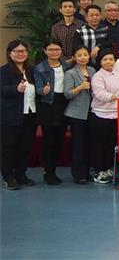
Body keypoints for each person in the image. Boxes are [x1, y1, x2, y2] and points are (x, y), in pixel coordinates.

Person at [32, 40, 70, 185]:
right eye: (51, 49)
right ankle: (48, 172)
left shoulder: (66, 66)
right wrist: (44, 90)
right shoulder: (40, 68)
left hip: (63, 104)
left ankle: (52, 170)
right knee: (49, 140)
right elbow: (38, 89)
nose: (54, 52)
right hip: (48, 105)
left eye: (57, 49)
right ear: (45, 51)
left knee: (59, 140)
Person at [1, 40, 38, 190]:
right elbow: (2, 90)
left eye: (23, 51)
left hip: (30, 114)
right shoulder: (4, 71)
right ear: (10, 53)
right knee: (8, 148)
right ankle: (8, 177)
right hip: (10, 115)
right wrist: (15, 89)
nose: (20, 54)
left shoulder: (31, 70)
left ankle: (21, 175)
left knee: (25, 147)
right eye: (16, 51)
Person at [90, 49, 119, 184]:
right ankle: (99, 171)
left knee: (111, 144)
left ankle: (108, 169)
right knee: (99, 145)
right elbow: (99, 93)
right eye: (105, 59)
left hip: (116, 115)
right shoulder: (98, 76)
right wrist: (112, 97)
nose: (108, 62)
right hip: (100, 114)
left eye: (111, 59)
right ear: (100, 62)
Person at [63, 46, 96, 184]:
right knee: (78, 145)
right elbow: (67, 94)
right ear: (74, 58)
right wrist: (80, 87)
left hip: (92, 111)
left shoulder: (92, 70)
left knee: (89, 143)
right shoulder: (70, 73)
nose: (83, 57)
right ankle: (78, 174)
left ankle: (87, 172)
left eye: (85, 55)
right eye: (79, 55)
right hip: (76, 113)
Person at [51, 0, 84, 64]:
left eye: (70, 6)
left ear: (74, 9)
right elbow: (55, 45)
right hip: (61, 61)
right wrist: (64, 60)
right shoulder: (56, 27)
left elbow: (84, 44)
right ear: (60, 10)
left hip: (79, 60)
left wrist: (74, 58)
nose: (67, 9)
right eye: (65, 7)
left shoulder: (82, 25)